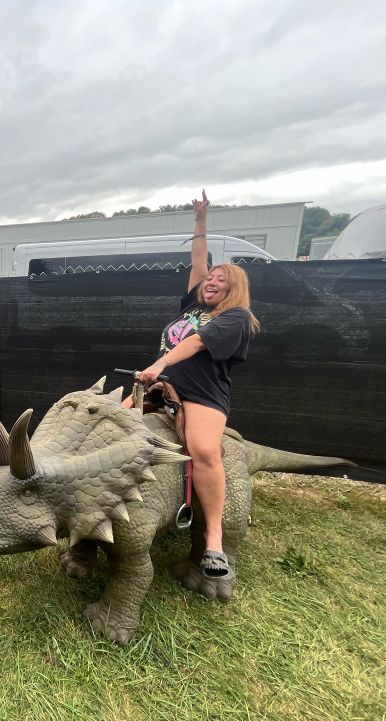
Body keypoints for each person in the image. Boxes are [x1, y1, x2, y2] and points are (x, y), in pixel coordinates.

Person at [133, 191, 260, 580]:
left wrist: (159, 362)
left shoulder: (237, 317)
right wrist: (200, 220)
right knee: (106, 421)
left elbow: (197, 343)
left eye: (220, 280)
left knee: (205, 451)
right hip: (163, 388)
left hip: (202, 396)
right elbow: (197, 259)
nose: (211, 281)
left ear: (232, 289)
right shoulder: (192, 306)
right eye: (209, 278)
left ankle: (215, 544)